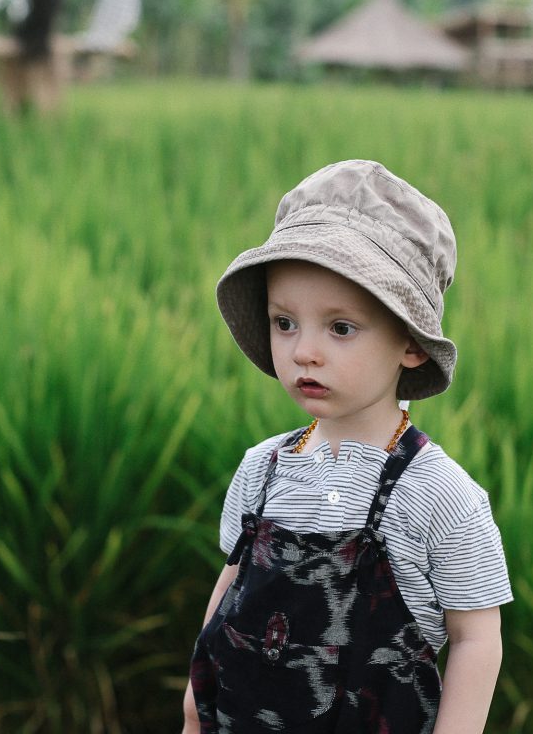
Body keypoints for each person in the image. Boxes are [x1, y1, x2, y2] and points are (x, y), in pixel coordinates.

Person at [183, 160, 512, 733]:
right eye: (285, 322)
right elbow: (231, 589)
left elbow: (476, 639)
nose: (304, 351)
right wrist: (194, 709)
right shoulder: (263, 469)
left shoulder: (440, 495)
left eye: (340, 328)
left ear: (410, 344)